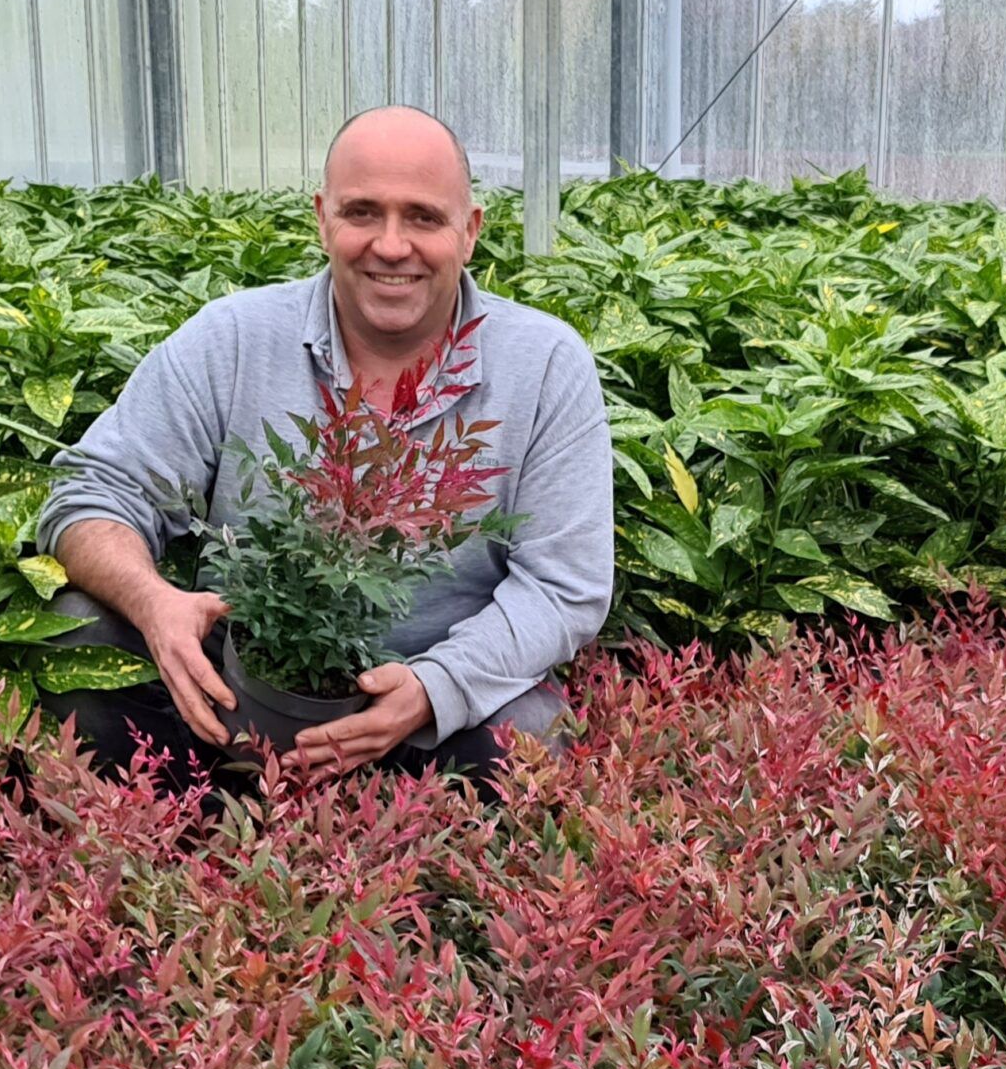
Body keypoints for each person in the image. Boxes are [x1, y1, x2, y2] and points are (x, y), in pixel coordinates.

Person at [34, 105, 614, 795]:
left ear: (470, 232)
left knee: (531, 740)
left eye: (423, 217)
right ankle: (172, 835)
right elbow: (94, 492)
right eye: (362, 212)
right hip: (238, 697)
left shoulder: (545, 366)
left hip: (432, 709)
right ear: (322, 218)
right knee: (77, 631)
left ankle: (404, 858)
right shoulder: (234, 338)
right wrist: (154, 603)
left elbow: (563, 586)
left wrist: (436, 688)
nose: (391, 246)